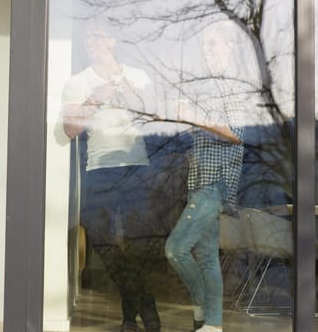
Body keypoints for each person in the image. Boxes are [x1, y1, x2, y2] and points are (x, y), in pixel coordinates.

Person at [61, 23, 161, 332]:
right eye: (88, 36)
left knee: (138, 245)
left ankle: (130, 317)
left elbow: (157, 115)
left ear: (112, 41)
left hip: (135, 168)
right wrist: (95, 98)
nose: (92, 41)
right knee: (103, 244)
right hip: (99, 170)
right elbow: (70, 129)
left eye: (99, 36)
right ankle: (144, 302)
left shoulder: (138, 76)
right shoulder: (78, 82)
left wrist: (128, 91)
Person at [164, 21, 246, 332]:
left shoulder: (233, 84)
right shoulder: (208, 85)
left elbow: (237, 134)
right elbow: (208, 133)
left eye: (212, 44)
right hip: (200, 182)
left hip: (213, 186)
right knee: (208, 258)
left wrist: (195, 117)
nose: (206, 50)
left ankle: (204, 309)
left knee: (175, 249)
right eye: (204, 45)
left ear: (229, 47)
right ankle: (212, 325)